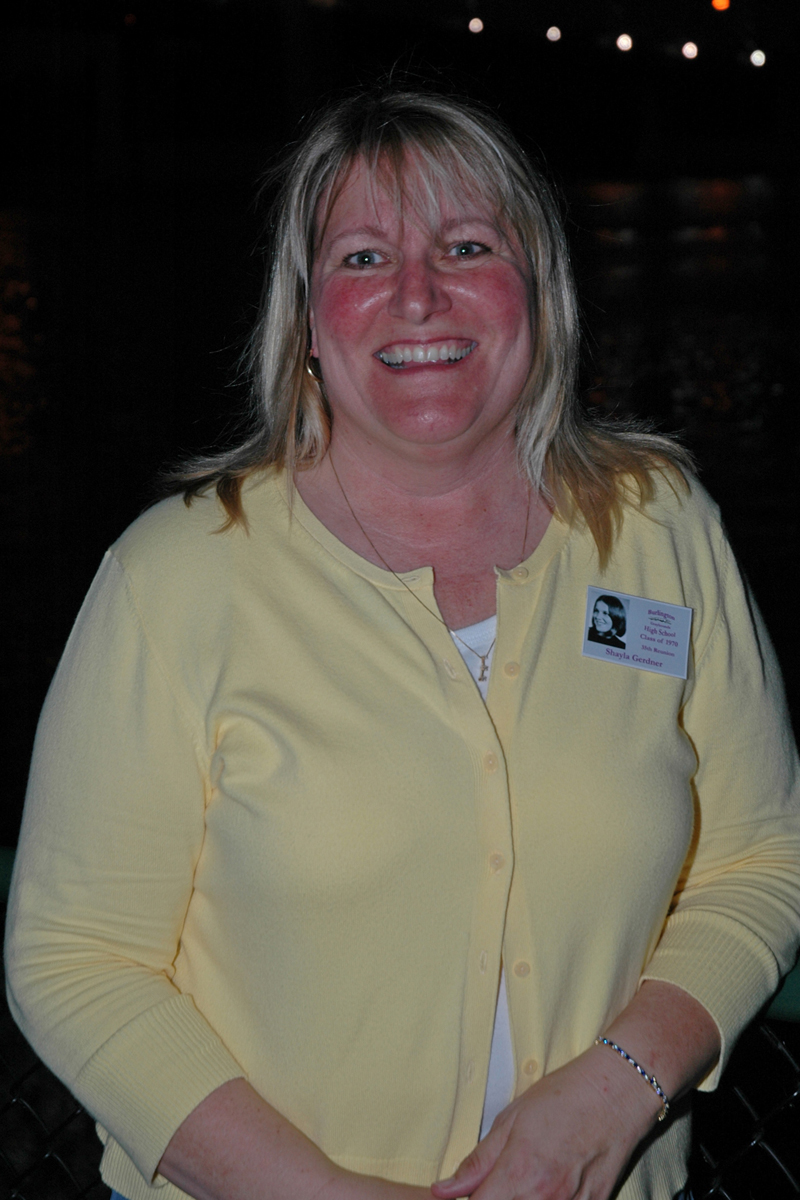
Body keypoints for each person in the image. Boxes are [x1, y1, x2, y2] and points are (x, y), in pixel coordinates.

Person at [5, 89, 800, 1200]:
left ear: (538, 286)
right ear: (306, 319)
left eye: (466, 246)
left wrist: (617, 1092)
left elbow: (760, 859)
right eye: (364, 258)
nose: (417, 294)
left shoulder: (660, 529)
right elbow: (77, 959)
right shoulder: (175, 581)